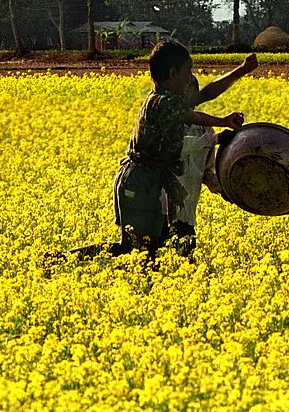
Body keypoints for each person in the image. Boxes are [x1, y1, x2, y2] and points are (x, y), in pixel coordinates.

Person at [109, 41, 258, 259]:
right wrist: (241, 71)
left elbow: (194, 115)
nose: (191, 77)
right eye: (188, 71)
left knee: (146, 252)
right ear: (173, 73)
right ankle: (63, 258)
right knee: (137, 252)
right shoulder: (160, 103)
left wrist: (223, 121)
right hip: (139, 183)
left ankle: (64, 259)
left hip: (151, 181)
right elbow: (206, 94)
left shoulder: (169, 105)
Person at [159, 76, 224, 257]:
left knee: (186, 264)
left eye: (191, 94)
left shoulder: (205, 130)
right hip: (160, 210)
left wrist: (224, 188)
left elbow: (206, 172)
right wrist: (213, 140)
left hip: (186, 213)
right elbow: (179, 146)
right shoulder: (165, 122)